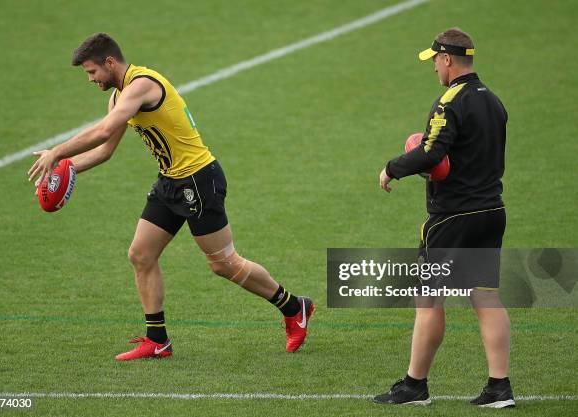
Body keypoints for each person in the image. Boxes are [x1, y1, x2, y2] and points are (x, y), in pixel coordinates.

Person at [28, 33, 314, 360]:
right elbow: (105, 150)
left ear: (110, 62)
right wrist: (63, 169)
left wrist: (58, 152)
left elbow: (104, 131)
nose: (91, 79)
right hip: (170, 182)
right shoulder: (119, 96)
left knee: (223, 263)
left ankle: (295, 307)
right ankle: (157, 340)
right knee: (140, 254)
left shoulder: (142, 85)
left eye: (92, 72)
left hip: (200, 180)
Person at [373, 28, 514, 408]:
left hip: (454, 218)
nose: (434, 66)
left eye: (435, 59)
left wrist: (392, 168)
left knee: (429, 300)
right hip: (492, 211)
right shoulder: (494, 101)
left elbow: (433, 155)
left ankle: (414, 387)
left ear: (448, 59)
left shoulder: (449, 102)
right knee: (486, 297)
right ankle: (500, 388)